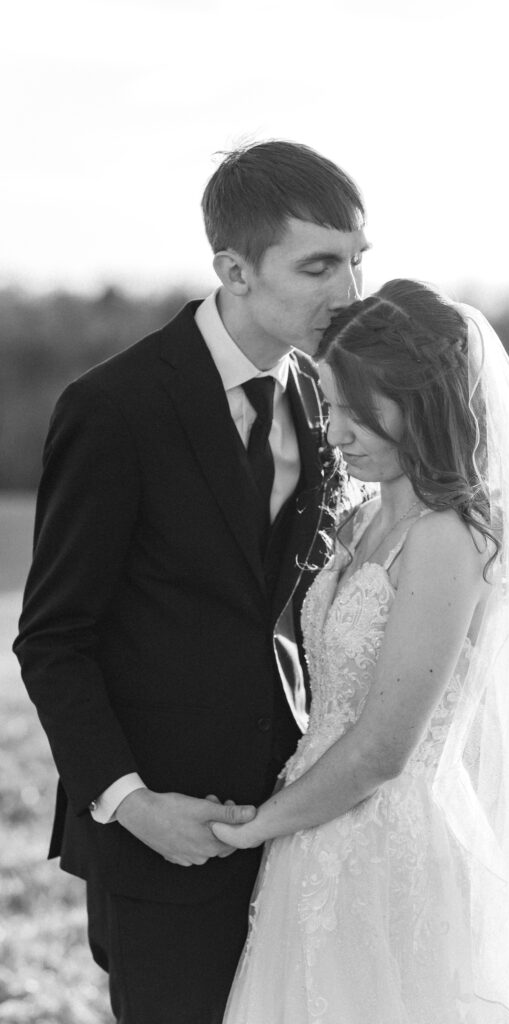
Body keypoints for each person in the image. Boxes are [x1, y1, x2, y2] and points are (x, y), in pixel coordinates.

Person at [212, 279, 509, 1024]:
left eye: (359, 410)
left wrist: (257, 824)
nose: (336, 432)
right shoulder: (355, 523)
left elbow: (384, 749)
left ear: (422, 403)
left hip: (391, 845)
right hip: (311, 833)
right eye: (329, 405)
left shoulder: (449, 537)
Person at [14, 140, 369, 1024]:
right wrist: (129, 804)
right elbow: (53, 639)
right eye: (319, 265)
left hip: (298, 823)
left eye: (356, 261)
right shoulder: (115, 407)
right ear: (234, 270)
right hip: (161, 838)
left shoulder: (328, 400)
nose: (349, 292)